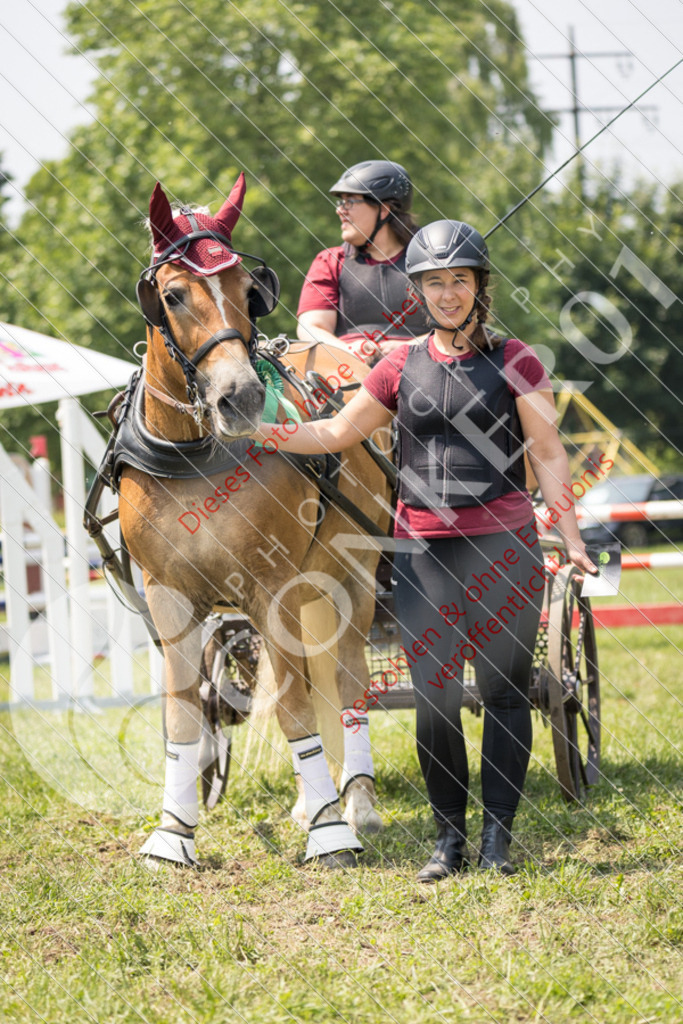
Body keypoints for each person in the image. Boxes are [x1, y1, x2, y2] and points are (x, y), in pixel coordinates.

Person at [253, 219, 597, 881]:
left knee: (500, 696)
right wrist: (262, 432)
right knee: (435, 697)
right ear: (418, 290)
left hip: (501, 548)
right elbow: (333, 431)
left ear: (478, 286)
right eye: (434, 283)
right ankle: (448, 841)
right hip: (422, 555)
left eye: (458, 281)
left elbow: (548, 453)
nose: (447, 294)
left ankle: (496, 836)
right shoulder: (397, 365)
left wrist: (571, 536)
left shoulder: (516, 360)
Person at [296, 159, 430, 363]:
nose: (340, 211)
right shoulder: (330, 262)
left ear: (384, 209)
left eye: (350, 201)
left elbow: (462, 329)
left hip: (426, 371)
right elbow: (311, 326)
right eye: (340, 202)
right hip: (349, 378)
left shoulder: (434, 261)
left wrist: (407, 348)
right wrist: (348, 351)